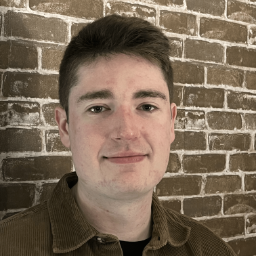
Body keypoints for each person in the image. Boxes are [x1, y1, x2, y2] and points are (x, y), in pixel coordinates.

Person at [0, 14, 236, 256]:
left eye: (147, 106)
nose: (127, 132)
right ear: (65, 127)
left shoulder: (213, 250)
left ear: (171, 123)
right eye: (98, 108)